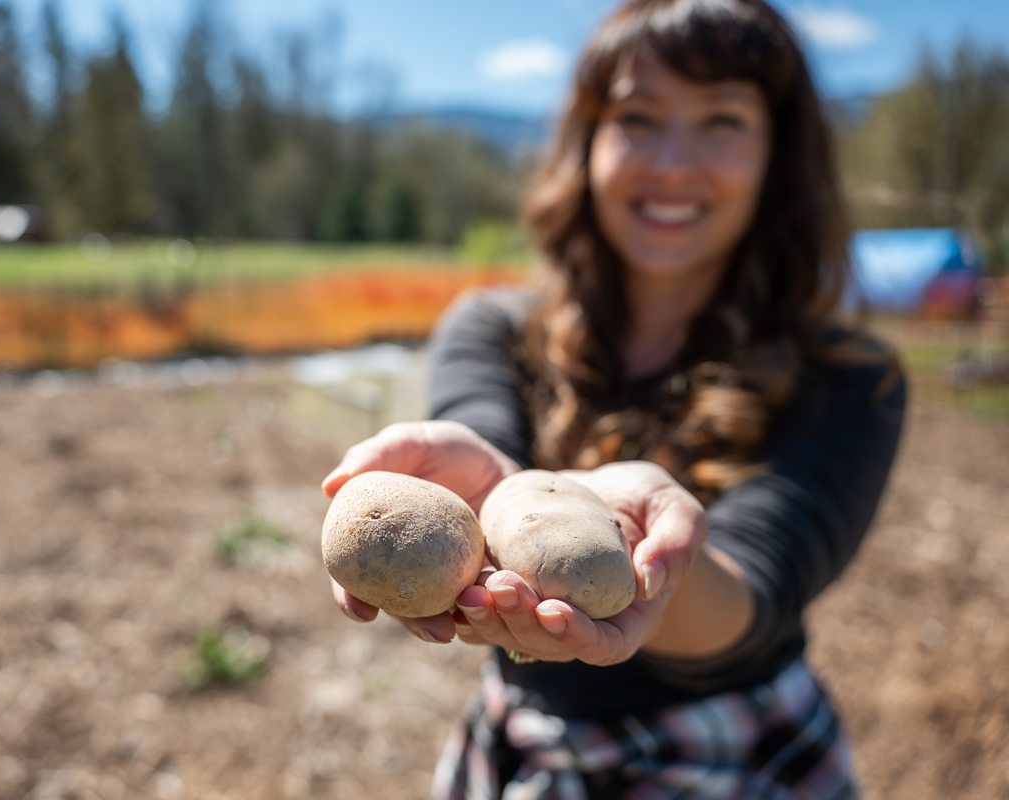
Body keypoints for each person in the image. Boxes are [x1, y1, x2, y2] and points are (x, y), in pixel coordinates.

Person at [321, 0, 905, 796]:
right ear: (588, 140)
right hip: (531, 742)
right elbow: (485, 472)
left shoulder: (853, 378)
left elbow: (757, 593)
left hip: (742, 752)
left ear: (779, 154)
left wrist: (651, 567)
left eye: (722, 120)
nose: (672, 161)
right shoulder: (490, 328)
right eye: (637, 117)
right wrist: (485, 503)